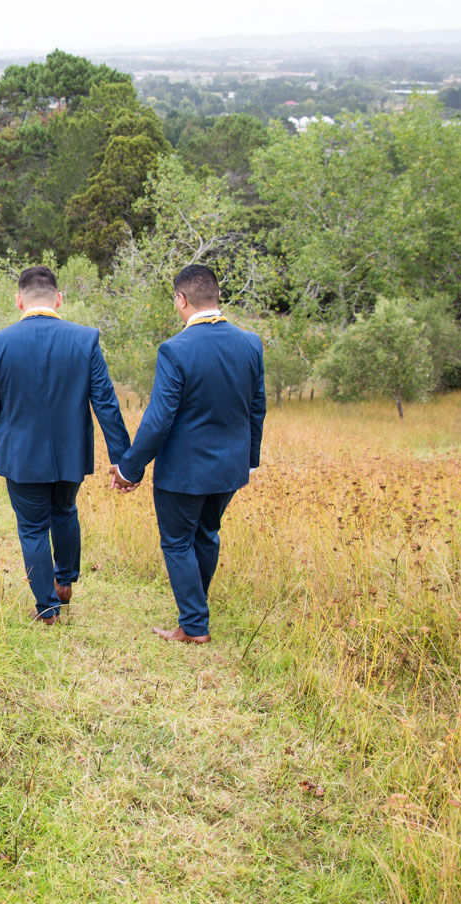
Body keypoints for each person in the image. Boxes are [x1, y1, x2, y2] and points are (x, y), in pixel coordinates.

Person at [110, 264, 265, 644]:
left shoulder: (175, 349)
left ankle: (194, 626)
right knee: (207, 535)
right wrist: (249, 457)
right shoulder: (250, 343)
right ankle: (195, 613)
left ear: (181, 299)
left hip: (183, 471)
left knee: (178, 542)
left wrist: (130, 469)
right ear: (215, 296)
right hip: (229, 467)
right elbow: (257, 407)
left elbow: (159, 419)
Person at [0, 265, 131, 624]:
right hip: (70, 453)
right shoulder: (85, 339)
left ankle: (47, 608)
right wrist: (123, 459)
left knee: (32, 528)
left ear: (19, 300)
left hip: (21, 456)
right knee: (65, 512)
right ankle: (65, 580)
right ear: (58, 298)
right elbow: (106, 402)